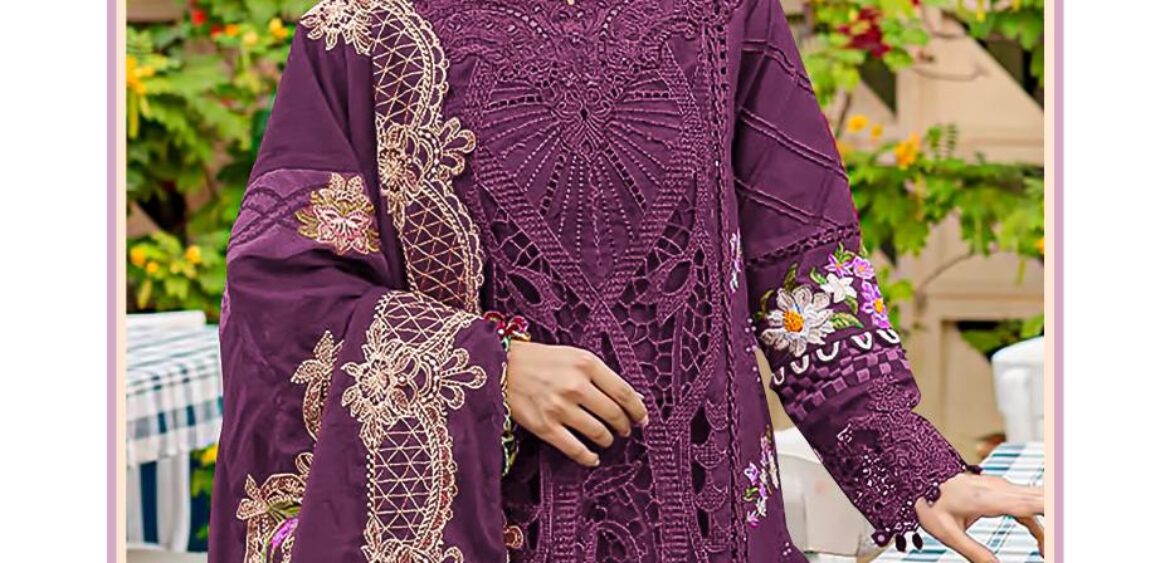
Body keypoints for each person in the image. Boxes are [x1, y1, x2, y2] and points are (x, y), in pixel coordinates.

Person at [210, 0, 1044, 561]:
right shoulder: (365, 29)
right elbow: (281, 293)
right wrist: (488, 367)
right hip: (498, 524)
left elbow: (800, 266)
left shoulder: (721, 15)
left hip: (702, 522)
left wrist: (913, 465)